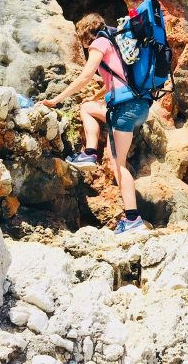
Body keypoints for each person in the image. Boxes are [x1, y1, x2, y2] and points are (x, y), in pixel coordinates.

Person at [38, 13, 151, 235]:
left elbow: (85, 76)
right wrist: (97, 97)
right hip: (139, 107)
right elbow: (116, 79)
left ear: (84, 35)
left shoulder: (98, 43)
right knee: (114, 156)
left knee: (119, 166)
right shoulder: (117, 43)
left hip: (124, 109)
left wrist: (55, 100)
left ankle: (131, 218)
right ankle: (132, 219)